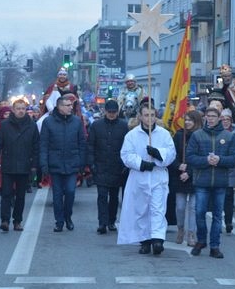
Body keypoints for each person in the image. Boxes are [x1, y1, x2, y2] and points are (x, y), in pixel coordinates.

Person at [117, 102, 176, 254]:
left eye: (152, 115)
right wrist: (141, 164)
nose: (149, 119)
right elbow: (126, 154)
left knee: (157, 208)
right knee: (142, 209)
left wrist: (158, 153)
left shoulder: (164, 134)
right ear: (140, 117)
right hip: (139, 177)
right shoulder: (132, 135)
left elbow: (171, 152)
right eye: (146, 115)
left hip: (158, 176)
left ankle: (157, 239)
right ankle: (145, 240)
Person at [186, 107, 235, 258]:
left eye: (213, 116)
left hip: (220, 182)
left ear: (219, 119)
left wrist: (220, 160)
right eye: (208, 116)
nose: (210, 119)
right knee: (200, 212)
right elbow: (190, 157)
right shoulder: (197, 135)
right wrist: (206, 160)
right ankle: (201, 240)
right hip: (202, 181)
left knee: (217, 215)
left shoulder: (228, 136)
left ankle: (215, 246)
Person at [40, 95, 86, 232]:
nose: (70, 108)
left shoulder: (77, 122)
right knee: (57, 195)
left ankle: (68, 217)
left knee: (71, 192)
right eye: (67, 105)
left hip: (72, 163)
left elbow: (82, 143)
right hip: (55, 164)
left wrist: (82, 163)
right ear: (59, 107)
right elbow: (43, 145)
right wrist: (44, 164)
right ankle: (59, 221)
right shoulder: (48, 122)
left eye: (71, 105)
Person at [0, 99, 40, 232]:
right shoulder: (5, 125)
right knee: (6, 194)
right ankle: (5, 220)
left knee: (20, 196)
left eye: (23, 108)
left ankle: (17, 221)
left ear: (26, 110)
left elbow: (36, 146)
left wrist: (34, 165)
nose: (20, 111)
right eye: (18, 108)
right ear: (13, 110)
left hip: (25, 164)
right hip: (8, 164)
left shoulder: (32, 125)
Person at [87, 99, 128, 234]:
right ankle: (102, 223)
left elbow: (127, 147)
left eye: (114, 112)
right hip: (101, 165)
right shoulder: (96, 126)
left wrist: (124, 164)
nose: (111, 114)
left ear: (117, 112)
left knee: (114, 197)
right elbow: (90, 145)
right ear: (105, 111)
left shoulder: (123, 126)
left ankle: (111, 221)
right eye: (109, 112)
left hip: (117, 166)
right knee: (102, 196)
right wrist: (91, 163)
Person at [169, 110, 202, 245]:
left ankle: (191, 233)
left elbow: (201, 158)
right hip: (180, 176)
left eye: (190, 120)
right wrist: (178, 166)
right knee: (181, 207)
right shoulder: (179, 135)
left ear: (196, 122)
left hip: (195, 176)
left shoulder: (200, 136)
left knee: (193, 207)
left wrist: (189, 172)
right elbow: (172, 155)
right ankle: (180, 229)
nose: (187, 122)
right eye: (186, 120)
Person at [220, 108, 235, 233]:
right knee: (218, 197)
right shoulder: (215, 132)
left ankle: (228, 222)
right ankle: (218, 220)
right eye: (223, 119)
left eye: (227, 119)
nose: (225, 122)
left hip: (230, 169)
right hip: (217, 168)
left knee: (228, 196)